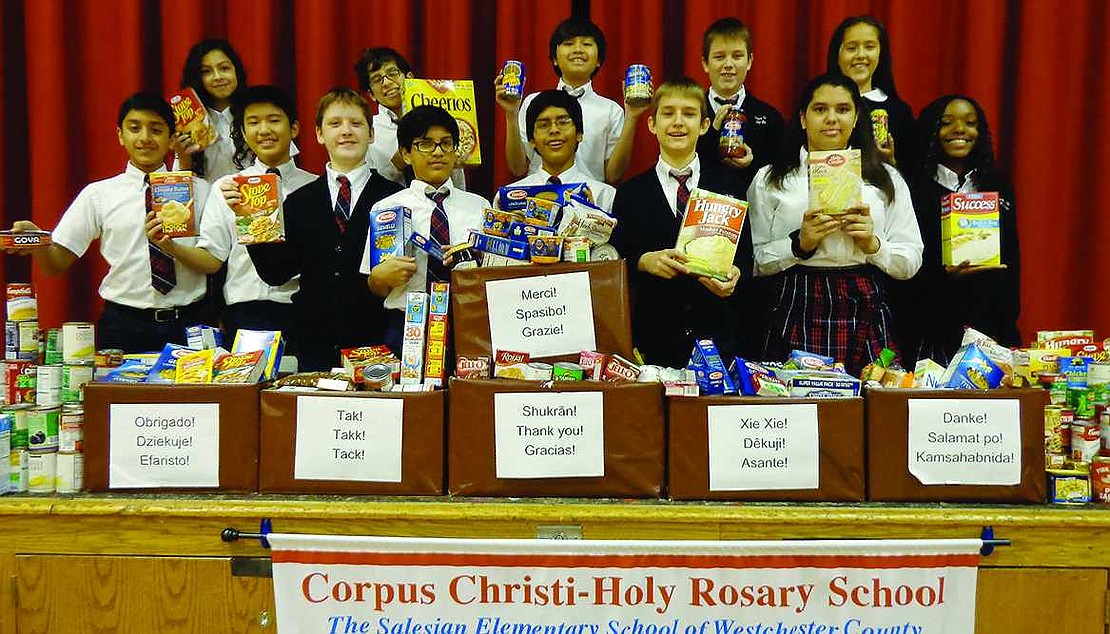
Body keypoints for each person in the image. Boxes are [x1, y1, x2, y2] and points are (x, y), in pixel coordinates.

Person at [6, 92, 211, 352]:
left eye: (156, 129)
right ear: (120, 135)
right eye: (134, 128)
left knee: (194, 395)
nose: (145, 138)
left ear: (171, 139)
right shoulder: (99, 195)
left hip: (190, 323)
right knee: (117, 394)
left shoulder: (200, 191)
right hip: (123, 325)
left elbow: (214, 257)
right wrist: (39, 242)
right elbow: (55, 264)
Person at [747, 73, 922, 375]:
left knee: (875, 407)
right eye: (819, 109)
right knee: (797, 411)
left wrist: (873, 246)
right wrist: (798, 245)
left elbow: (911, 261)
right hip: (797, 301)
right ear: (803, 118)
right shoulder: (770, 179)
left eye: (842, 109)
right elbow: (754, 261)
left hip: (865, 298)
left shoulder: (886, 179)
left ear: (856, 118)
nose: (831, 119)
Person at [248, 88, 403, 370]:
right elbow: (275, 273)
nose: (346, 131)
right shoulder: (297, 201)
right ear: (319, 134)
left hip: (376, 343)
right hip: (314, 344)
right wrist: (249, 220)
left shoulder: (394, 198)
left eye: (355, 123)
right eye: (334, 124)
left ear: (371, 134)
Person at [609, 79, 753, 368]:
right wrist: (643, 261)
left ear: (703, 125)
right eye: (668, 113)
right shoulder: (630, 192)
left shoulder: (729, 186)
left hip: (717, 339)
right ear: (651, 124)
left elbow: (747, 258)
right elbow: (616, 261)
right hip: (654, 340)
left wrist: (737, 275)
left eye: (688, 113)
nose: (678, 122)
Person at [163, 85, 317, 346]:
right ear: (244, 133)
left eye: (274, 120)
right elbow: (212, 259)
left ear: (294, 129)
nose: (264, 130)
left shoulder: (316, 188)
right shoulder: (227, 187)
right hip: (244, 313)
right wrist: (169, 245)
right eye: (253, 122)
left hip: (304, 312)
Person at [362, 105, 489, 353]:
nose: (438, 152)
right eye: (426, 144)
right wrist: (380, 277)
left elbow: (494, 273)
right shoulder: (387, 208)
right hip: (406, 324)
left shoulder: (479, 207)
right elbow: (375, 284)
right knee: (409, 393)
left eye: (446, 143)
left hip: (467, 323)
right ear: (406, 153)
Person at [903, 95, 1020, 363]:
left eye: (970, 123)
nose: (959, 130)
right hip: (932, 328)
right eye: (946, 123)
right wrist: (944, 276)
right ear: (932, 130)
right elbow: (906, 269)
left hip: (990, 327)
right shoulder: (914, 188)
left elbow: (1013, 257)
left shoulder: (996, 184)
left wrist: (1008, 323)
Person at [496, 16, 641, 183]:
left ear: (599, 60)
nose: (578, 49)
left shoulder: (611, 110)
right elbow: (517, 168)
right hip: (537, 201)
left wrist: (632, 117)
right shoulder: (533, 102)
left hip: (591, 201)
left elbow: (613, 175)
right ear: (555, 59)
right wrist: (511, 113)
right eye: (568, 43)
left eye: (587, 44)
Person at [696, 17, 785, 195]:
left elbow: (782, 174)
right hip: (701, 213)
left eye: (737, 56)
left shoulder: (770, 116)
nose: (728, 65)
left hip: (754, 215)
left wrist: (753, 163)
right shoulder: (691, 112)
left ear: (749, 61)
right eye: (719, 57)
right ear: (705, 63)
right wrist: (712, 131)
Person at [353, 47, 465, 188]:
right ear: (371, 94)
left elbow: (457, 179)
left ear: (410, 78)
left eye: (392, 73)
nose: (386, 83)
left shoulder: (439, 120)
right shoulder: (367, 131)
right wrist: (396, 165)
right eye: (377, 79)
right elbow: (363, 187)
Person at [494, 89, 616, 213]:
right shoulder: (507, 198)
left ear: (579, 134)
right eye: (544, 125)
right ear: (531, 140)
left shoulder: (604, 196)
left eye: (563, 122)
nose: (554, 130)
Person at [826, 16, 915, 170]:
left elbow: (913, 172)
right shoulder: (818, 105)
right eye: (851, 48)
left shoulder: (899, 112)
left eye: (869, 47)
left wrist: (890, 164)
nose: (861, 55)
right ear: (837, 55)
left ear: (881, 54)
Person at [173, 39, 249, 181]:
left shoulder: (255, 113)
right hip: (206, 201)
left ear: (236, 70)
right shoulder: (189, 121)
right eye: (206, 71)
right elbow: (181, 186)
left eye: (224, 68)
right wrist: (183, 155)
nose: (218, 77)